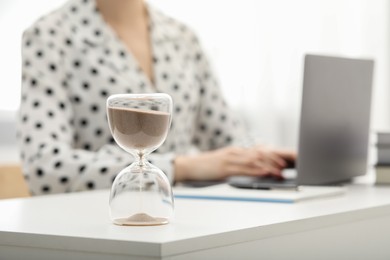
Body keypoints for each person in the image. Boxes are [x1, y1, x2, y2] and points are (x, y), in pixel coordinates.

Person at [18, 0, 295, 195]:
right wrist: (183, 166)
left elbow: (227, 136)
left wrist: (272, 156)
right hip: (97, 216)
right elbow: (44, 168)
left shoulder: (183, 37)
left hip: (188, 211)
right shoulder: (49, 35)